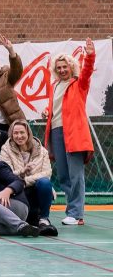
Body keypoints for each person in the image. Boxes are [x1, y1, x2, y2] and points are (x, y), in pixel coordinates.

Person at [44, 39, 95, 226]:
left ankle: (76, 213)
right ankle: (71, 209)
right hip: (56, 131)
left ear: (71, 67)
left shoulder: (79, 84)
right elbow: (57, 107)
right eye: (58, 68)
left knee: (76, 174)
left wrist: (90, 55)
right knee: (64, 175)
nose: (62, 70)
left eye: (65, 67)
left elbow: (87, 71)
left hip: (74, 133)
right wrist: (47, 111)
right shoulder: (54, 86)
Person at [1, 119, 55, 234]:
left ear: (28, 133)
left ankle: (44, 219)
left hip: (35, 188)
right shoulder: (5, 150)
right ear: (11, 134)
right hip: (18, 191)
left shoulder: (42, 151)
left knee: (45, 183)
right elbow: (6, 173)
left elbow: (47, 173)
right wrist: (22, 171)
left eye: (22, 132)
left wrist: (25, 181)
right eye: (15, 133)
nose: (19, 136)